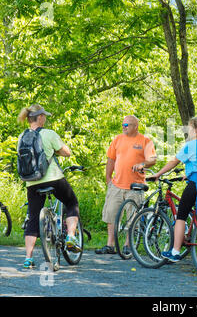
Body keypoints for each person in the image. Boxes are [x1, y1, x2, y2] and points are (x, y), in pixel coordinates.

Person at [17, 104, 81, 269]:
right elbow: (67, 152)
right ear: (39, 118)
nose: (45, 118)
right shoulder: (49, 134)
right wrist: (55, 151)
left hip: (31, 182)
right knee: (71, 202)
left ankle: (28, 259)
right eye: (44, 116)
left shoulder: (21, 137)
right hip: (53, 178)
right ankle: (71, 237)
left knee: (33, 218)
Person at [150, 116, 197, 263]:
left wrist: (158, 174)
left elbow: (174, 162)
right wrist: (187, 175)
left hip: (196, 185)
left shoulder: (192, 144)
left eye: (189, 127)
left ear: (195, 130)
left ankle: (175, 251)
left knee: (181, 215)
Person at [95, 115, 157, 255]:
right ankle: (110, 245)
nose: (124, 127)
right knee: (110, 215)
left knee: (132, 217)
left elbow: (152, 159)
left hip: (135, 186)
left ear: (136, 126)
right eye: (123, 124)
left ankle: (128, 245)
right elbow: (111, 159)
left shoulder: (145, 141)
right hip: (116, 185)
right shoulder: (117, 139)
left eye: (127, 125)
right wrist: (107, 178)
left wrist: (143, 164)